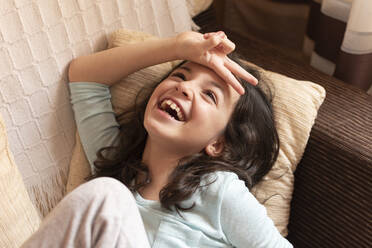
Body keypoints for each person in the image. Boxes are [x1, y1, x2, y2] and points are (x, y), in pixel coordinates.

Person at [22, 31, 293, 247]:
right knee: (109, 192)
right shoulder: (115, 162)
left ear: (218, 144)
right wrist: (177, 47)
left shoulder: (219, 191)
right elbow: (84, 77)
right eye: (180, 75)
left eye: (210, 95)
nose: (184, 87)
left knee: (107, 194)